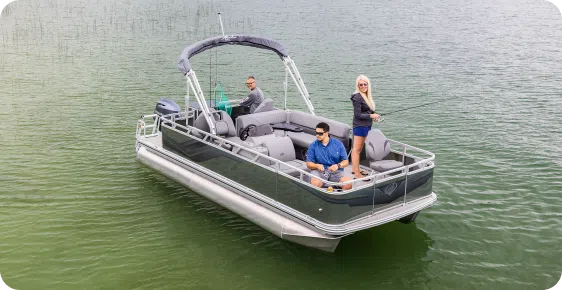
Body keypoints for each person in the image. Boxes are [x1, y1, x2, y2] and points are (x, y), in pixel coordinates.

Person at [306, 122, 353, 190]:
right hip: (319, 172)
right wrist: (317, 166)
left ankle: (336, 188)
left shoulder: (338, 144)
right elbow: (309, 164)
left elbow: (345, 161)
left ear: (327, 132)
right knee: (316, 184)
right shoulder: (313, 146)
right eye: (316, 133)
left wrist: (338, 166)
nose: (317, 135)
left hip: (336, 172)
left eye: (320, 133)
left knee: (348, 184)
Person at [350, 74, 379, 179]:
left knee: (359, 149)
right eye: (360, 85)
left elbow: (367, 110)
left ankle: (355, 169)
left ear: (368, 84)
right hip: (360, 126)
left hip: (366, 125)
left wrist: (374, 115)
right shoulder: (357, 97)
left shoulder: (366, 95)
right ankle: (357, 173)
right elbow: (358, 115)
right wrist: (371, 115)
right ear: (358, 86)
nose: (363, 86)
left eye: (365, 84)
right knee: (356, 150)